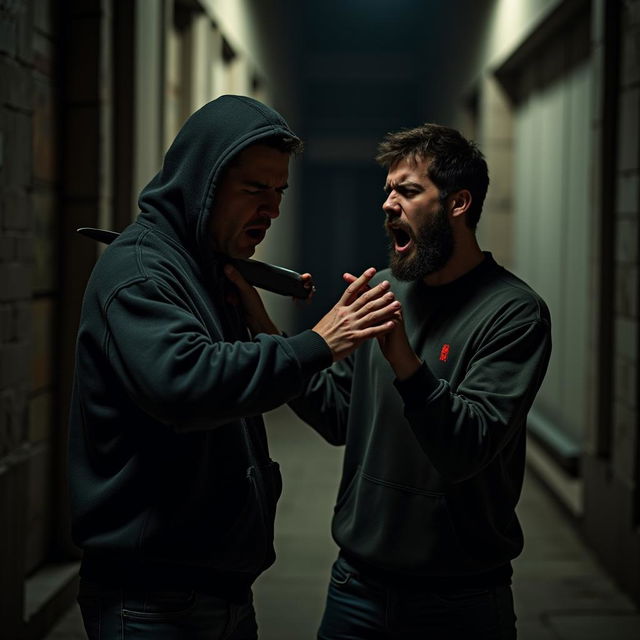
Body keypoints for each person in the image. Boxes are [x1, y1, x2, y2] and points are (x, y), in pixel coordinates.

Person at [68, 94, 401, 640]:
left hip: (210, 586)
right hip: (154, 598)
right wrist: (316, 342)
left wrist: (264, 326)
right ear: (203, 182)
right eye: (253, 190)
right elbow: (186, 385)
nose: (271, 209)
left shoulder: (204, 267)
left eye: (279, 193)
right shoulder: (142, 273)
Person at [230, 123, 552, 639]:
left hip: (461, 596)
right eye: (387, 191)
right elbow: (336, 414)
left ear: (458, 203)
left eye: (407, 190)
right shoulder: (381, 289)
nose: (387, 203)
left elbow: (466, 448)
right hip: (357, 584)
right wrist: (263, 326)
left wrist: (403, 358)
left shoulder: (513, 313)